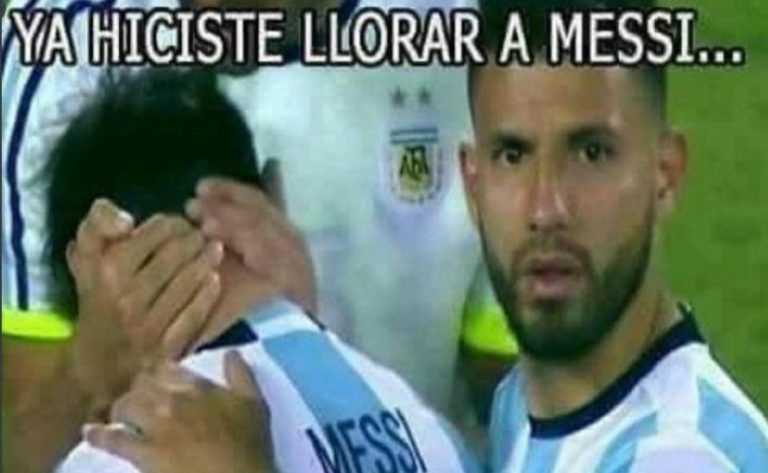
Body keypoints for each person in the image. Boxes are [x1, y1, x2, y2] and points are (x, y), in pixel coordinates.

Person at [2, 0, 515, 451]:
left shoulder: (476, 33)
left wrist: (298, 346)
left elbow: (527, 404)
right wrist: (87, 374)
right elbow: (21, 449)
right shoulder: (63, 49)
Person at [456, 0, 768, 471]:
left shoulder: (678, 456)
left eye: (592, 153)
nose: (546, 209)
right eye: (512, 156)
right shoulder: (518, 405)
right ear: (472, 185)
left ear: (665, 174)